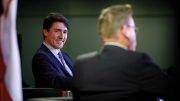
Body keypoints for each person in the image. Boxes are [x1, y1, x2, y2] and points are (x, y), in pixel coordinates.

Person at [72, 4, 173, 101]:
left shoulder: (81, 63)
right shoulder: (139, 62)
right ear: (124, 30)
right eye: (134, 29)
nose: (135, 33)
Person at [32, 12, 74, 90]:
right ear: (45, 32)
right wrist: (82, 82)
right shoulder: (41, 57)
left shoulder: (65, 55)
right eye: (57, 31)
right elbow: (55, 81)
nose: (62, 36)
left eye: (65, 32)